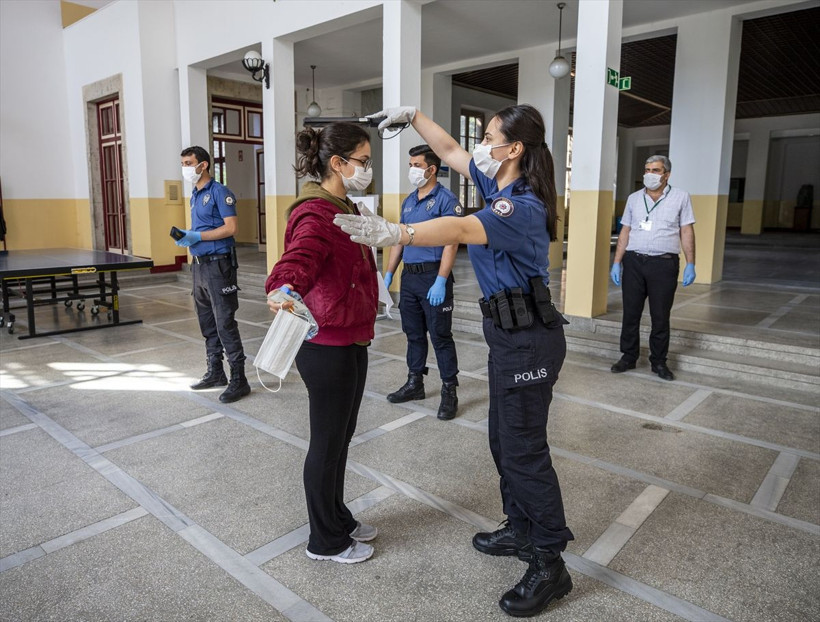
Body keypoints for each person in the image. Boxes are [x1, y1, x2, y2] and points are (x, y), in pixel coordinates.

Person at [335, 105, 574, 617]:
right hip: (506, 333)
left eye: (489, 138)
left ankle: (550, 560)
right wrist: (415, 115)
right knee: (502, 439)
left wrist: (400, 234)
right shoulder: (496, 185)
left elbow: (462, 231)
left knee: (524, 449)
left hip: (529, 338)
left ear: (514, 150)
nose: (480, 146)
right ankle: (520, 525)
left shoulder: (522, 206)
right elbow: (446, 149)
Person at [265, 122, 380, 565]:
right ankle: (324, 541)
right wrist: (283, 285)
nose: (367, 168)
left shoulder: (343, 202)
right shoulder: (316, 211)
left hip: (350, 333)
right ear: (338, 163)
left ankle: (338, 517)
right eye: (363, 161)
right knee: (327, 441)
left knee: (342, 437)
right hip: (325, 341)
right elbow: (300, 255)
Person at [384, 144, 462, 420]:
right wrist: (390, 274)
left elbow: (452, 242)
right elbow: (400, 240)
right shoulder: (408, 202)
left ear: (431, 169)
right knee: (413, 334)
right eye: (410, 165)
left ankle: (449, 390)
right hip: (410, 278)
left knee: (440, 336)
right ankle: (415, 382)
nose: (412, 170)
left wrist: (441, 280)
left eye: (416, 165)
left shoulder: (446, 200)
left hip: (433, 276)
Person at [609, 155, 696, 381]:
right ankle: (628, 357)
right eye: (647, 169)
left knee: (660, 316)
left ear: (666, 174)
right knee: (631, 313)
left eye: (655, 170)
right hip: (634, 261)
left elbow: (686, 231)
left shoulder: (681, 197)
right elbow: (625, 231)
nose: (650, 174)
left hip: (663, 264)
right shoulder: (634, 199)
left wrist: (691, 263)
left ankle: (658, 362)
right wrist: (617, 262)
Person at [176, 146, 250, 403]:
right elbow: (205, 227)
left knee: (225, 322)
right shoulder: (195, 195)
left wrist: (198, 236)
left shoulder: (220, 192)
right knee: (207, 323)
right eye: (183, 163)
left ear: (204, 165)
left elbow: (231, 228)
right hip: (199, 266)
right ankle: (216, 372)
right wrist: (189, 237)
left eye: (189, 162)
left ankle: (239, 379)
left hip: (220, 267)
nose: (185, 168)